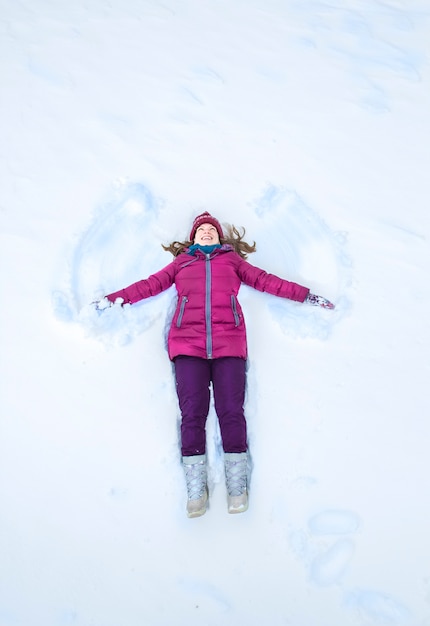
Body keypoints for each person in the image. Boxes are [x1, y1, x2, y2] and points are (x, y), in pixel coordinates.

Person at [95, 211, 334, 518]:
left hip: (229, 346)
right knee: (192, 414)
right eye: (201, 230)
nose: (206, 232)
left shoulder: (232, 262)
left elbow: (266, 281)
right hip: (187, 346)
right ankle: (196, 487)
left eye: (211, 229)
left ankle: (237, 485)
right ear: (193, 238)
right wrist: (111, 300)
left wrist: (305, 296)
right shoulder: (181, 264)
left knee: (231, 412)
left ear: (220, 237)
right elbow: (148, 286)